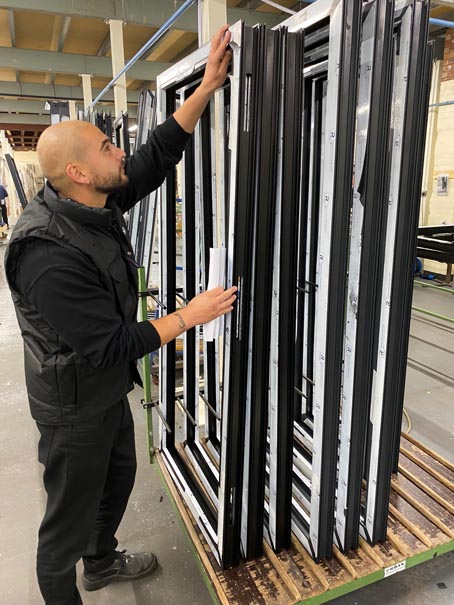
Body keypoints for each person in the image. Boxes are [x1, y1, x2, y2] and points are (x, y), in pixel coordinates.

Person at [4, 26, 234, 605]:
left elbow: (154, 158)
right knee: (66, 523)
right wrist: (191, 315)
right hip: (72, 405)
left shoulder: (91, 203)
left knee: (118, 481)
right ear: (79, 172)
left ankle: (101, 563)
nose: (119, 151)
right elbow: (107, 345)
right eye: (107, 147)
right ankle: (67, 588)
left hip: (103, 391)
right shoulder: (46, 254)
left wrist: (206, 88)